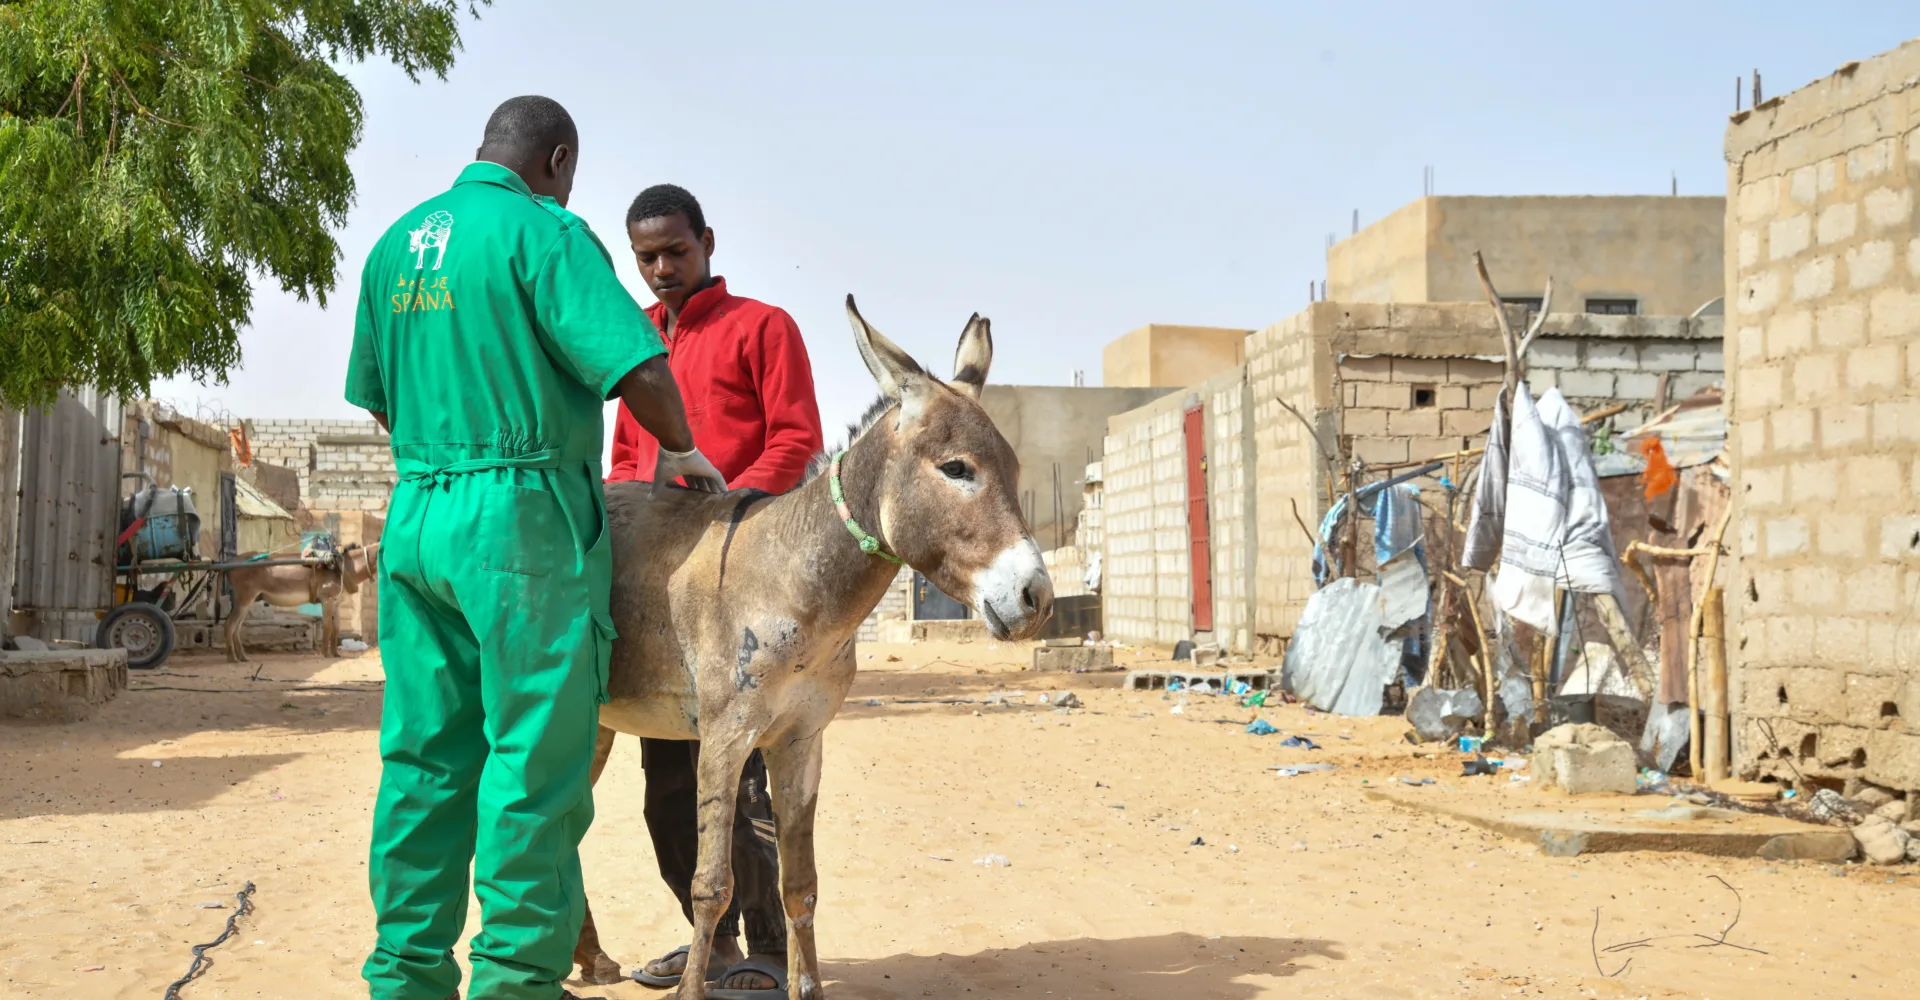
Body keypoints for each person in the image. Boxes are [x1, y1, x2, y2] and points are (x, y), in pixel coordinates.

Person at [346, 97, 726, 1000]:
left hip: (418, 515)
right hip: (519, 524)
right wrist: (680, 448)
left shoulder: (396, 243)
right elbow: (637, 369)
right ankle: (516, 983)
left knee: (424, 759)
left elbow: (378, 396)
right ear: (556, 160)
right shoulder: (546, 235)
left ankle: (406, 977)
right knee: (534, 759)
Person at [607, 183, 824, 994]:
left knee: (750, 783)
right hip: (662, 595)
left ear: (708, 242)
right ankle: (714, 947)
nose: (662, 269)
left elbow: (799, 441)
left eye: (676, 252)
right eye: (647, 257)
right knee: (669, 787)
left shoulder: (763, 328)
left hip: (746, 591)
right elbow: (628, 464)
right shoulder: (633, 347)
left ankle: (769, 947)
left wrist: (724, 509)